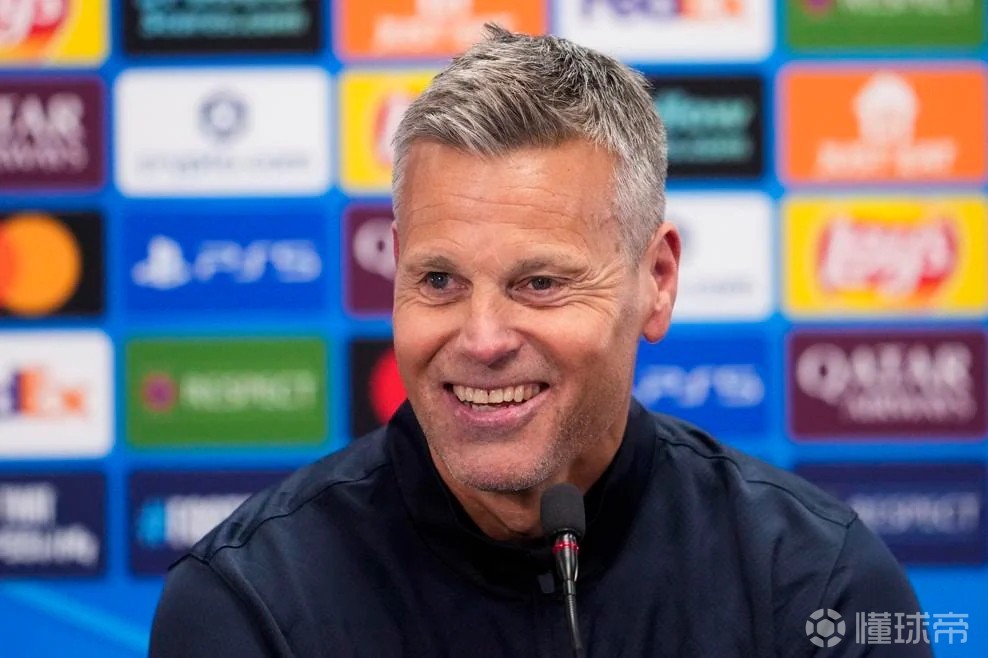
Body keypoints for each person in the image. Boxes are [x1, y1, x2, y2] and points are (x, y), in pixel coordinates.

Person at [150, 26, 931, 657]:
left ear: (657, 280)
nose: (482, 339)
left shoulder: (816, 583)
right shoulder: (248, 604)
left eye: (540, 283)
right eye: (439, 281)